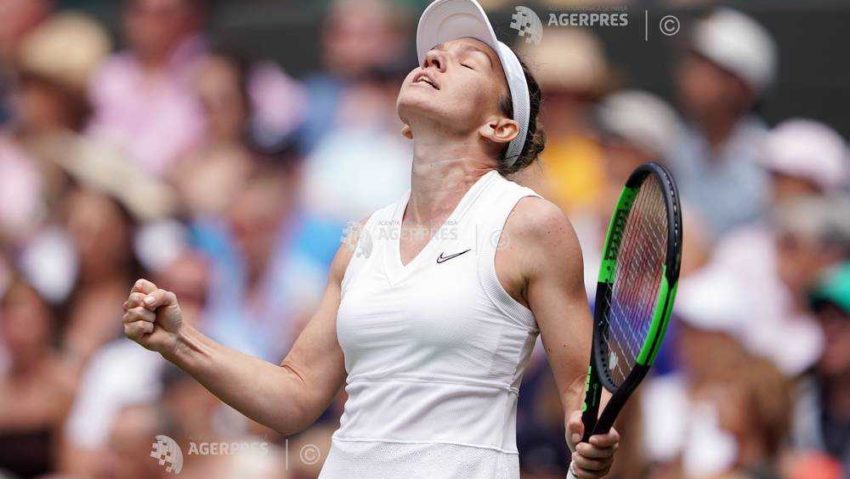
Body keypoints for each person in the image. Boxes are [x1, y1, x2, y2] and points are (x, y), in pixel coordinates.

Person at [120, 1, 620, 478]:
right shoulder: (364, 237)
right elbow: (295, 396)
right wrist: (179, 340)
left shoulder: (531, 225)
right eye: (432, 57)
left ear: (500, 125)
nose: (435, 60)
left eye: (466, 64)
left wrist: (591, 438)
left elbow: (580, 390)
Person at [669, 7, 778, 236]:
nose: (689, 75)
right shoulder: (673, 148)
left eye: (705, 66)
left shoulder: (772, 165)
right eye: (692, 62)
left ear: (740, 86)